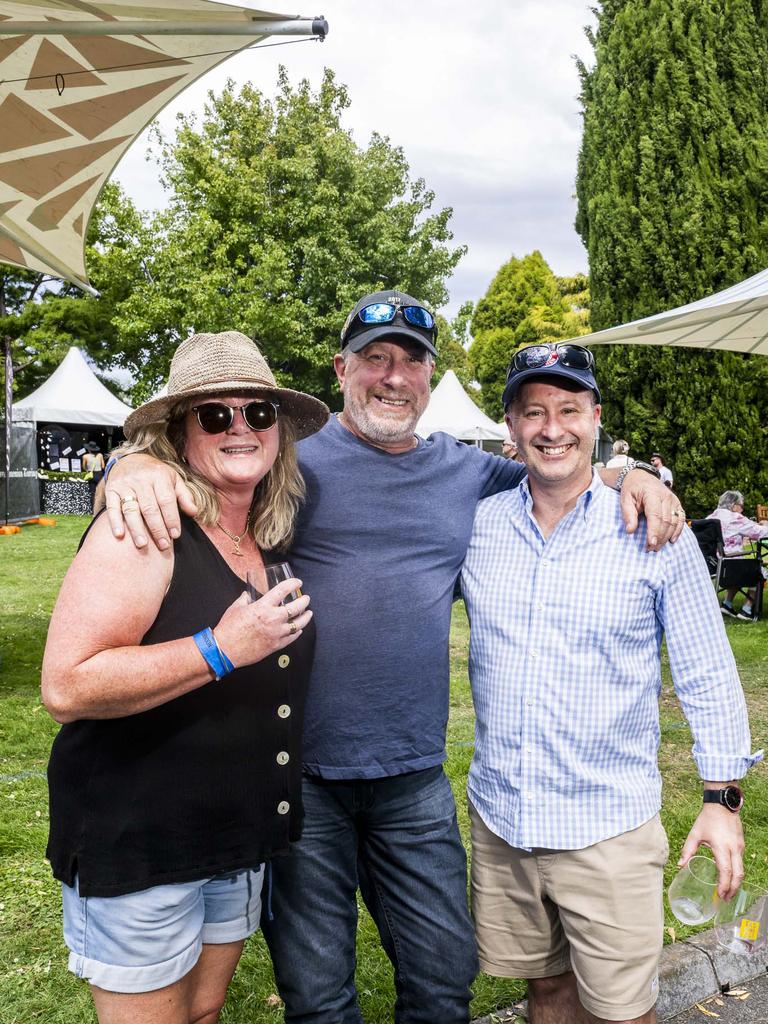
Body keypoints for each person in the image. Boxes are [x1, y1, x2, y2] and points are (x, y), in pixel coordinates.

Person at [102, 296, 685, 1024]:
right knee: (318, 996)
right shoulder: (284, 464)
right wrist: (128, 468)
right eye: (375, 357)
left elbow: (558, 473)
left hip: (413, 779)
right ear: (342, 369)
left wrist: (631, 475)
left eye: (411, 360)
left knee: (444, 983)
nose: (392, 376)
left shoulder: (464, 473)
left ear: (431, 377)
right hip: (301, 776)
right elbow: (197, 472)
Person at [461, 346, 761, 1024]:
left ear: (596, 418)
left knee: (623, 1012)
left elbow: (707, 668)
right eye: (533, 411)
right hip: (503, 820)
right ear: (511, 424)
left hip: (607, 829)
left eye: (569, 409)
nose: (552, 427)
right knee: (544, 990)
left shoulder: (655, 532)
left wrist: (720, 799)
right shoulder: (479, 528)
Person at [41, 331, 328, 1024]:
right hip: (141, 842)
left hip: (231, 838)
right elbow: (67, 685)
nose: (240, 427)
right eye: (214, 414)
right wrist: (222, 647)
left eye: (258, 412)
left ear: (279, 432)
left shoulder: (266, 532)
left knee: (204, 1012)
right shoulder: (142, 528)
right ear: (179, 432)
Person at [708, 490, 768, 620]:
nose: (742, 510)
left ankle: (727, 604)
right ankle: (746, 609)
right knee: (760, 571)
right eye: (741, 506)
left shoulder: (711, 517)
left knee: (737, 562)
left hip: (715, 567)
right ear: (734, 505)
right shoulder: (735, 518)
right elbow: (760, 533)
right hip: (731, 568)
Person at [82, 442, 105, 511]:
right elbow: (103, 466)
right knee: (100, 492)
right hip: (99, 474)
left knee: (93, 493)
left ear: (89, 449)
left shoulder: (85, 456)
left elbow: (84, 466)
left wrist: (87, 470)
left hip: (91, 474)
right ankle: (101, 509)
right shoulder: (100, 455)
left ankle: (93, 509)